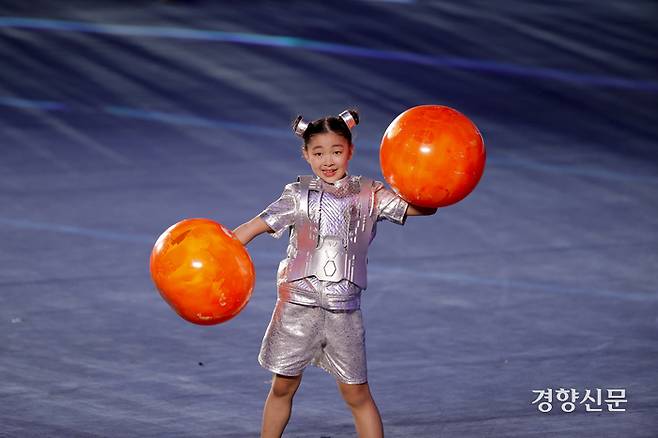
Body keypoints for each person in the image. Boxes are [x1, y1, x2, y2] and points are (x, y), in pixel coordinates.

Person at [233, 109, 436, 438]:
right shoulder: (297, 195)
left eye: (337, 151)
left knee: (357, 394)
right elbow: (252, 227)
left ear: (350, 151)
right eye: (318, 153)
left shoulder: (370, 194)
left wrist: (438, 184)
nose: (328, 160)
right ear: (306, 154)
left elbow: (421, 206)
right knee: (282, 386)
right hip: (296, 309)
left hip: (343, 313)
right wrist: (220, 247)